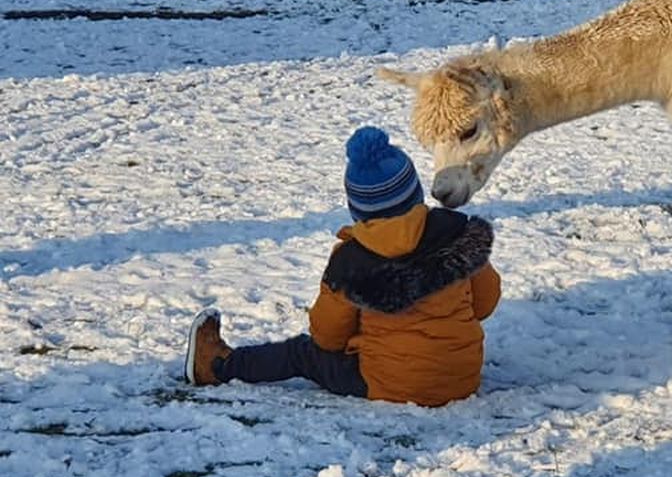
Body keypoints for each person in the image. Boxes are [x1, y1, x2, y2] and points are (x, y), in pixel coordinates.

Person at [184, 125, 501, 406]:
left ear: (357, 209)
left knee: (302, 353)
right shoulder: (457, 234)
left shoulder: (351, 261)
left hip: (387, 384)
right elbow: (485, 303)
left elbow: (327, 338)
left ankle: (216, 366)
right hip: (461, 379)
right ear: (414, 191)